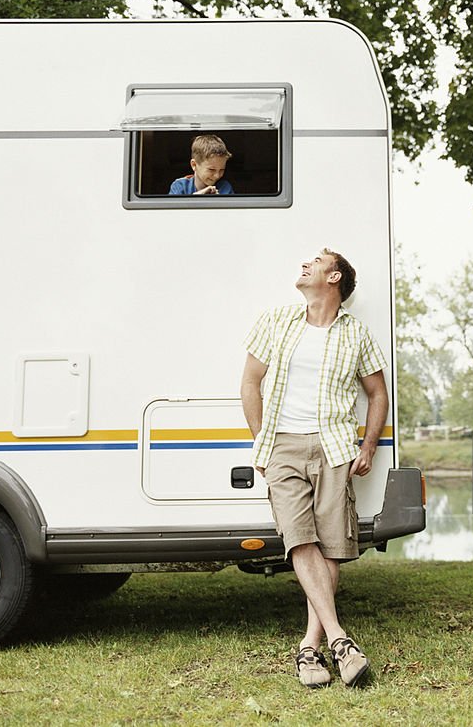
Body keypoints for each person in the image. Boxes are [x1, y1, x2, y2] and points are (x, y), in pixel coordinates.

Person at [240, 248, 388, 689]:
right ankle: (340, 639)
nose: (304, 264)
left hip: (335, 448)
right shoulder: (276, 320)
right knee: (298, 540)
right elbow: (250, 382)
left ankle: (310, 647)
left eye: (315, 261)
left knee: (329, 547)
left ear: (334, 276)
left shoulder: (357, 334)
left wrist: (369, 445)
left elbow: (377, 394)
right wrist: (261, 439)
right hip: (282, 447)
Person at [168, 134, 234, 195]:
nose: (217, 175)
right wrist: (198, 197)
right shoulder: (179, 186)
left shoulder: (225, 187)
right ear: (194, 165)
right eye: (211, 169)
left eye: (221, 170)